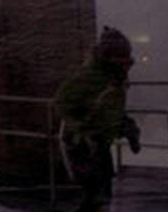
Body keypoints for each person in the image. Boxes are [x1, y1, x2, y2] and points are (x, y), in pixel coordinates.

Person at [55, 26, 142, 212]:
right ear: (109, 57)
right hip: (81, 144)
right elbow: (62, 104)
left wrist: (128, 129)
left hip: (99, 144)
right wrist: (82, 130)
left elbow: (110, 112)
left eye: (126, 55)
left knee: (101, 194)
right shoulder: (89, 78)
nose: (126, 61)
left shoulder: (115, 79)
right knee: (95, 196)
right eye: (121, 56)